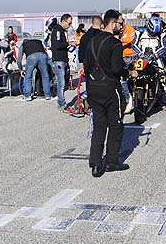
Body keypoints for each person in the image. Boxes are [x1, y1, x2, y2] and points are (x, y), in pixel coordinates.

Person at [84, 9, 131, 177]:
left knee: (99, 126)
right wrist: (129, 73)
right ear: (112, 23)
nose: (122, 26)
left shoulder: (91, 41)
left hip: (93, 88)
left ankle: (96, 163)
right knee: (116, 125)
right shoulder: (115, 43)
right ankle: (111, 162)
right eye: (120, 23)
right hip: (110, 89)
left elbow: (87, 65)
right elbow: (117, 68)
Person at [51, 13, 73, 112]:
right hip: (59, 60)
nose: (70, 25)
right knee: (61, 83)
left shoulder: (61, 30)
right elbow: (58, 44)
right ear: (63, 21)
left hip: (63, 59)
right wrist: (68, 44)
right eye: (69, 23)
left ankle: (62, 102)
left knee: (64, 82)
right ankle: (61, 104)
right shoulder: (57, 30)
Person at [17, 36, 51, 101]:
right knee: (45, 75)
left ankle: (28, 96)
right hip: (43, 55)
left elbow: (19, 60)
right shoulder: (38, 41)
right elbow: (45, 53)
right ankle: (47, 95)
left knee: (28, 76)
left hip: (31, 57)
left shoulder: (23, 44)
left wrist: (20, 69)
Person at [119, 24, 137, 114]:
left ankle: (133, 98)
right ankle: (127, 99)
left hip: (131, 56)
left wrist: (120, 41)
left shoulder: (130, 29)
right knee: (123, 80)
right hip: (121, 57)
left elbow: (131, 40)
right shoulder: (117, 31)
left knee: (132, 78)